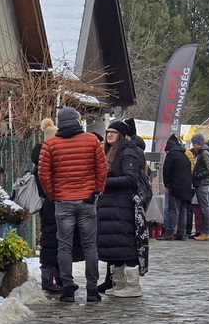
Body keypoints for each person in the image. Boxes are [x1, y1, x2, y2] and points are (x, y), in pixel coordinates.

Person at [38, 106, 107, 303]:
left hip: (63, 201)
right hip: (87, 200)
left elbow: (44, 174)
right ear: (77, 120)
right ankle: (92, 290)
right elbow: (101, 168)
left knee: (64, 246)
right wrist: (97, 191)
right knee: (90, 246)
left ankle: (67, 289)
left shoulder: (50, 144)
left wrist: (54, 195)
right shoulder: (92, 140)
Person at [31, 118, 85, 294]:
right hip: (52, 203)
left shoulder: (44, 159)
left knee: (60, 241)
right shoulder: (46, 160)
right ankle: (49, 278)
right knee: (52, 240)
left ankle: (61, 277)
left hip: (57, 202)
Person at [96, 120, 146, 298]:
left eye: (113, 132)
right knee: (114, 246)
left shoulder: (127, 153)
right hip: (110, 206)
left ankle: (133, 286)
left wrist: (103, 183)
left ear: (122, 135)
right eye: (108, 131)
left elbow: (130, 179)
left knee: (126, 245)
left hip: (122, 206)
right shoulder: (109, 152)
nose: (109, 135)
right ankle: (118, 283)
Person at [157, 134, 193, 241]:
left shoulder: (171, 155)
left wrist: (167, 185)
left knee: (174, 210)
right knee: (183, 211)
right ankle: (182, 233)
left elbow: (166, 171)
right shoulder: (184, 155)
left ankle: (169, 232)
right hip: (186, 188)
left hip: (176, 187)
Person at [189, 133, 209, 240]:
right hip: (201, 184)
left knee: (205, 208)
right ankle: (204, 231)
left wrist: (197, 176)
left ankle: (206, 232)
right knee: (203, 208)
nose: (193, 146)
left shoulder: (204, 153)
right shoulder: (202, 153)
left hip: (203, 184)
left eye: (194, 144)